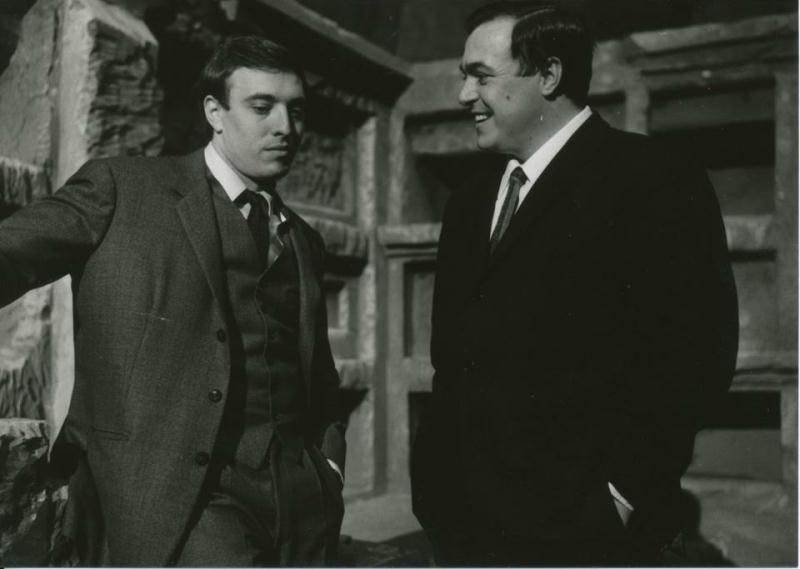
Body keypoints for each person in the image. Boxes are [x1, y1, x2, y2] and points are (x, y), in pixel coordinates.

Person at [410, 2, 739, 565]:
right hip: (462, 526)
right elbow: (454, 356)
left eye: (481, 77)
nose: (464, 96)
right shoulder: (468, 201)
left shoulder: (653, 177)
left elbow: (695, 359)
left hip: (583, 535)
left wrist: (620, 497)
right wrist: (435, 484)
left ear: (549, 74)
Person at [0, 36, 346, 566]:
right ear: (214, 112)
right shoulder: (122, 189)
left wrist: (330, 468)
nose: (285, 127)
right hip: (180, 500)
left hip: (300, 504)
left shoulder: (303, 239)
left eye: (295, 110)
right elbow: (10, 254)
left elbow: (317, 375)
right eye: (262, 107)